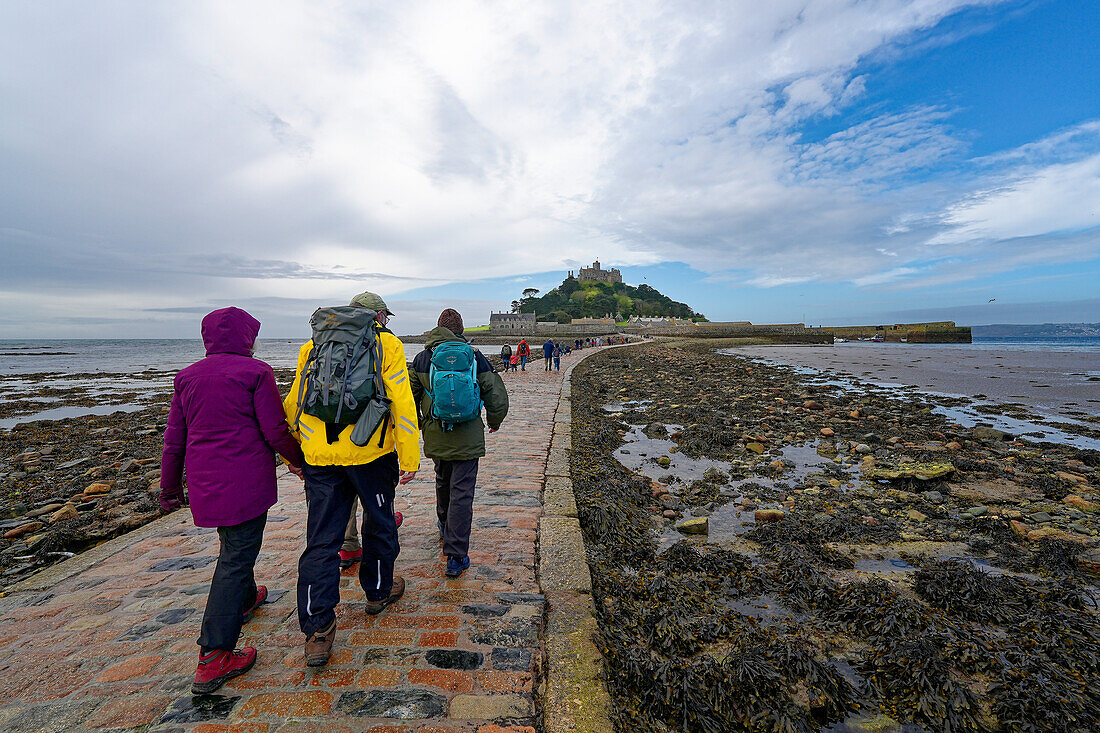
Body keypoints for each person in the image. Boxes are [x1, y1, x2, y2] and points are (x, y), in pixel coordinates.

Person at [159, 307, 305, 694]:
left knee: (232, 544)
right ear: (246, 337)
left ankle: (244, 599)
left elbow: (174, 439)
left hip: (206, 482)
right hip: (247, 482)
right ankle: (213, 655)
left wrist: (170, 489)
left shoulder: (186, 377)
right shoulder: (256, 373)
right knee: (236, 556)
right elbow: (274, 428)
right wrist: (300, 460)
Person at [283, 292, 420, 667]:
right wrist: (409, 455)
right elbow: (401, 402)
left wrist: (294, 454)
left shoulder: (313, 344)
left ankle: (317, 629)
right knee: (379, 522)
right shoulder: (386, 343)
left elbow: (295, 401)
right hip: (370, 454)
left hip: (320, 457)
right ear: (378, 316)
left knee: (321, 539)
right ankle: (377, 592)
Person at [410, 309, 508, 578]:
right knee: (462, 491)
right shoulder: (474, 357)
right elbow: (495, 393)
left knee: (442, 478)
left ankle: (443, 525)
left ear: (437, 328)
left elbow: (408, 397)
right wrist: (495, 420)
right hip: (468, 434)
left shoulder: (422, 358)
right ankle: (456, 555)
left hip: (436, 433)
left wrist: (420, 423)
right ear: (462, 330)